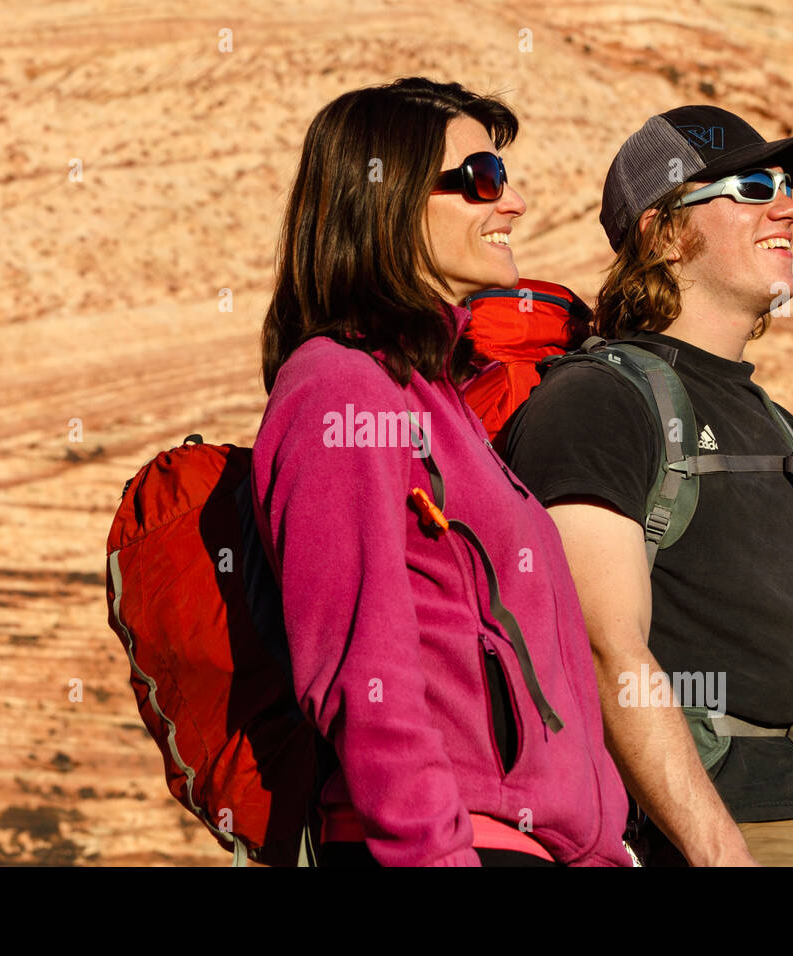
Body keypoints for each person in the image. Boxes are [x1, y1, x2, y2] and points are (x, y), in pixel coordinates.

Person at [503, 105, 793, 866]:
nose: (789, 206)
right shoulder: (597, 403)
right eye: (756, 187)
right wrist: (721, 855)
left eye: (788, 185)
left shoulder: (785, 428)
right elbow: (609, 649)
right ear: (665, 232)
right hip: (741, 830)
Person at [250, 77, 631, 867]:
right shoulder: (339, 389)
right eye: (481, 180)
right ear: (385, 203)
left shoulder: (445, 404)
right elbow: (362, 674)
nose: (514, 201)